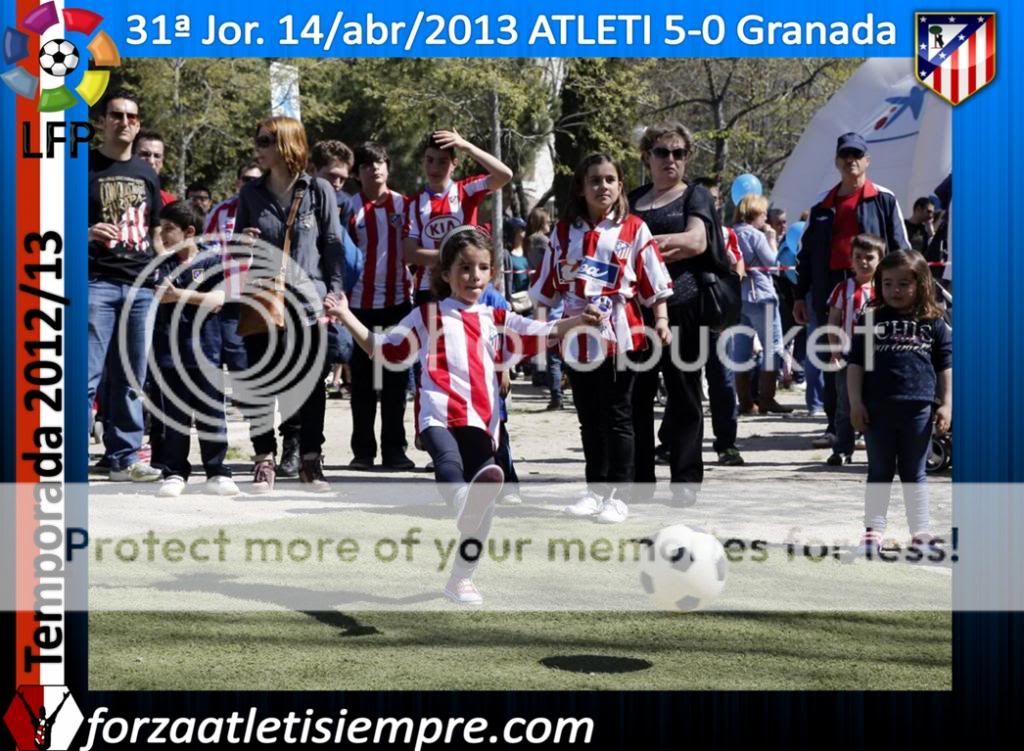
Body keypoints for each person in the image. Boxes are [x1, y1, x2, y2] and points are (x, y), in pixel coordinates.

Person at [325, 226, 600, 604]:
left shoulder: (495, 314)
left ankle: (461, 578)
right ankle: (458, 501)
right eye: (465, 268)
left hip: (481, 420)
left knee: (483, 509)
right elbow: (383, 350)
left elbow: (542, 329)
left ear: (492, 274)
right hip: (437, 414)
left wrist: (579, 321)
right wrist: (344, 314)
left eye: (482, 268)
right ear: (445, 272)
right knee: (447, 459)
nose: (474, 276)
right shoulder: (427, 314)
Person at [532, 153, 673, 522]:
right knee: (588, 418)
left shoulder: (634, 229)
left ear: (621, 185)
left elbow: (653, 283)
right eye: (595, 180)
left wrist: (660, 319)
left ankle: (620, 494)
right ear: (580, 188)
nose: (603, 187)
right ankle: (595, 490)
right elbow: (546, 289)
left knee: (618, 416)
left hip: (622, 337)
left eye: (610, 179)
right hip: (576, 340)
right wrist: (544, 330)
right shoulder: (562, 233)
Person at [233, 115, 347, 494]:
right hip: (264, 296)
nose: (258, 148)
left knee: (310, 383)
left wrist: (335, 290)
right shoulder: (250, 194)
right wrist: (245, 245)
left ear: (287, 144)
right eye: (258, 140)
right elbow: (237, 248)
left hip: (309, 296)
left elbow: (331, 244)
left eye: (265, 141)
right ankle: (263, 457)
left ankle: (311, 460)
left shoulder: (318, 190)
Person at [628, 124, 729, 505]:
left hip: (686, 311)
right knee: (635, 397)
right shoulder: (632, 199)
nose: (670, 159)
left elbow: (696, 241)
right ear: (646, 156)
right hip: (636, 314)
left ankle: (685, 480)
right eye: (661, 152)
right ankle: (638, 481)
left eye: (678, 153)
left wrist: (644, 246)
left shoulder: (695, 196)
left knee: (685, 396)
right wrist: (661, 249)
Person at [793, 131, 908, 449]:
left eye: (857, 155)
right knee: (834, 357)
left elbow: (901, 248)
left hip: (877, 290)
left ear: (867, 161)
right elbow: (804, 256)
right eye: (846, 155)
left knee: (878, 356)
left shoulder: (883, 199)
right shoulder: (821, 207)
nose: (851, 160)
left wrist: (906, 289)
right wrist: (799, 296)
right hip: (832, 291)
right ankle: (836, 425)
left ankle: (876, 424)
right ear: (837, 161)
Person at [847, 250, 951, 554]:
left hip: (918, 409)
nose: (895, 290)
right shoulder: (871, 319)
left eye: (904, 283)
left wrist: (946, 404)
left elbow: (945, 365)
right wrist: (855, 403)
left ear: (921, 284)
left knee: (914, 472)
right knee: (879, 470)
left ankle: (920, 531)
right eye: (888, 283)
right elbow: (855, 365)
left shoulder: (934, 321)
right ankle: (873, 531)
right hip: (877, 409)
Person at [87, 91, 163, 482]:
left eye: (131, 116)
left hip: (141, 287)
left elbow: (155, 231)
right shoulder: (82, 165)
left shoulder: (146, 172)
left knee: (133, 377)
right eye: (116, 115)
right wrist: (83, 233)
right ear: (102, 121)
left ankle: (125, 458)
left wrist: (163, 270)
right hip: (95, 282)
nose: (124, 122)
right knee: (87, 375)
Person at [151, 201, 239, 497]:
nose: (162, 235)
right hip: (168, 353)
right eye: (160, 229)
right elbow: (160, 295)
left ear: (190, 231)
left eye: (169, 229)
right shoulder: (163, 264)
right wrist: (187, 296)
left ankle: (217, 471)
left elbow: (217, 301)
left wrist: (179, 295)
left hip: (207, 352)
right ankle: (175, 472)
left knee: (211, 411)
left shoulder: (212, 261)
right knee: (174, 416)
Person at [344, 142, 415, 471]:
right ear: (357, 173)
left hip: (399, 305)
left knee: (395, 385)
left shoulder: (406, 205)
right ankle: (362, 452)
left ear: (389, 167)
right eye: (367, 164)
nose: (375, 168)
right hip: (359, 308)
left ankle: (395, 450)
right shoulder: (349, 209)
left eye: (380, 162)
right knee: (362, 385)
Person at [403, 129, 513, 304]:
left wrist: (466, 146)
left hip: (467, 284)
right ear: (423, 162)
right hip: (429, 289)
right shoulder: (414, 203)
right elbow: (410, 253)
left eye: (442, 162)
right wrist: (454, 256)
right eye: (430, 160)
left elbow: (505, 175)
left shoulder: (467, 190)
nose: (435, 168)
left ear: (454, 164)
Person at [692, 176, 744, 466]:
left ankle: (727, 445)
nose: (708, 204)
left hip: (718, 319)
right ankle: (672, 443)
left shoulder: (727, 235)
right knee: (683, 384)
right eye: (702, 198)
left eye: (713, 198)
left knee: (722, 382)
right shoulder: (681, 231)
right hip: (685, 316)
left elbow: (738, 270)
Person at [824, 234, 882, 466]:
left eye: (870, 257)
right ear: (851, 260)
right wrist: (834, 349)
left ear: (880, 260)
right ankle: (842, 449)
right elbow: (833, 320)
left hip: (878, 357)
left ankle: (878, 450)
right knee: (845, 405)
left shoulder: (884, 289)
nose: (864, 262)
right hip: (848, 357)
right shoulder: (843, 288)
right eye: (858, 257)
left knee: (876, 403)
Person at [732, 193, 793, 415]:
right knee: (773, 347)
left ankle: (746, 402)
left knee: (741, 350)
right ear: (755, 213)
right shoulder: (755, 235)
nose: (766, 220)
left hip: (738, 298)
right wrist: (771, 239)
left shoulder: (730, 233)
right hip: (761, 296)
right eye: (764, 214)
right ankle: (767, 398)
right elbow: (774, 264)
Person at [311, 139, 357, 403]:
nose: (338, 184)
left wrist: (338, 288)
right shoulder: (297, 195)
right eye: (332, 176)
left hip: (328, 286)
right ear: (313, 169)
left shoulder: (344, 203)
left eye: (343, 178)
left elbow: (340, 249)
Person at [525, 206, 563, 409]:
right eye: (547, 219)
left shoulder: (531, 240)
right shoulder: (541, 240)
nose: (550, 222)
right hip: (550, 299)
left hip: (544, 297)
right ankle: (557, 394)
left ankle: (554, 389)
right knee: (554, 352)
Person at [133, 129, 177, 206]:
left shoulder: (170, 202)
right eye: (145, 154)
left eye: (157, 156)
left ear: (162, 162)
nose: (151, 161)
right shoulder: (119, 196)